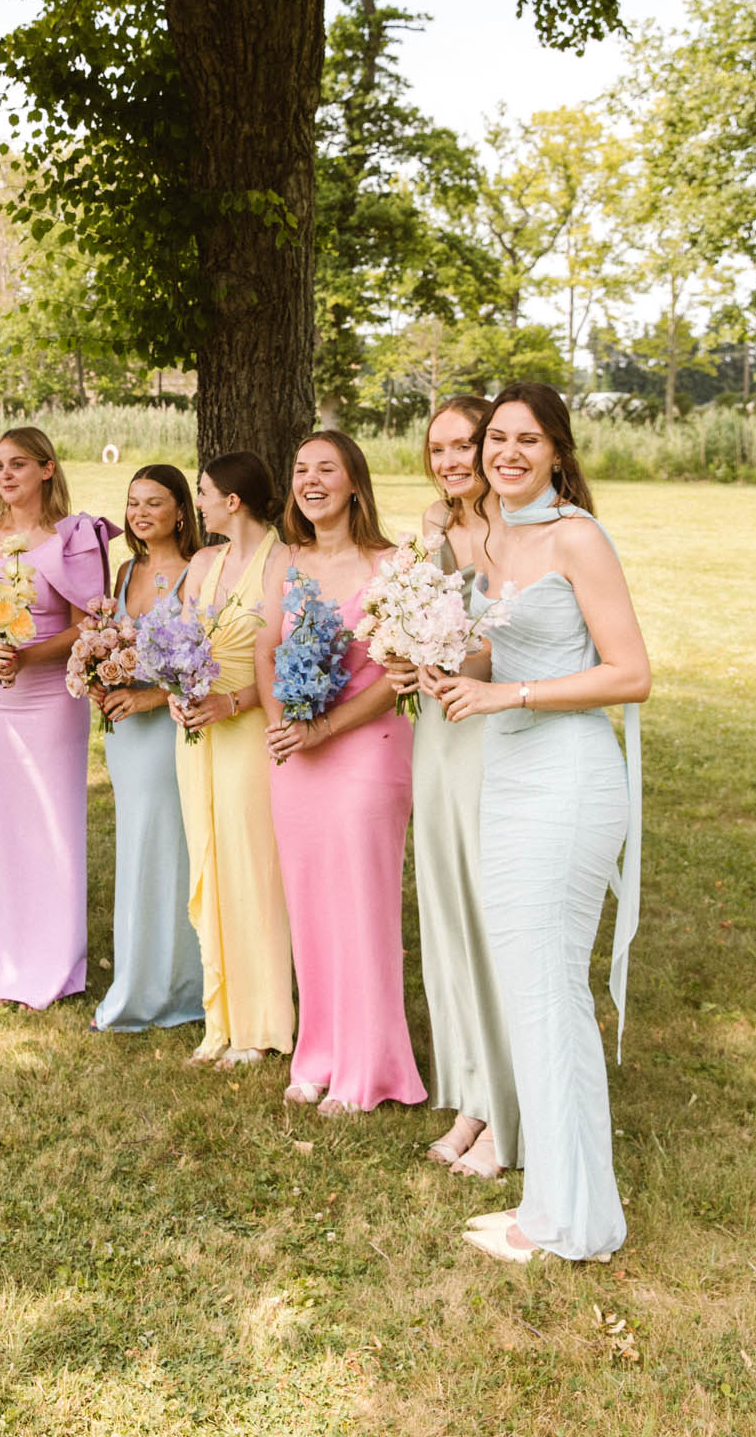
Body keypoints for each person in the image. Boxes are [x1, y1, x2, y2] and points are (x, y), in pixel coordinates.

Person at [428, 384, 647, 1264]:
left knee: (551, 993)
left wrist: (504, 692)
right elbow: (494, 650)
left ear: (557, 451)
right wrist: (440, 656)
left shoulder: (574, 537)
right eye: (496, 439)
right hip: (509, 771)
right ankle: (550, 1204)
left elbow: (629, 673)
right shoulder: (497, 538)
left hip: (567, 777)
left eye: (527, 440)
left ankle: (572, 1223)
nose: (505, 453)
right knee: (533, 995)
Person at [256, 431, 426, 1116]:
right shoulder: (287, 561)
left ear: (355, 481)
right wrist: (282, 725)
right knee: (310, 906)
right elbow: (267, 650)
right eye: (300, 469)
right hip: (295, 759)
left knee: (362, 906)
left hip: (367, 750)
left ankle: (369, 1066)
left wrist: (323, 726)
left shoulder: (394, 562)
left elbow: (398, 673)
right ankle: (318, 1055)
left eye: (327, 468)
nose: (311, 480)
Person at [385, 397, 520, 1179]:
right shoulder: (433, 533)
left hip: (495, 737)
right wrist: (404, 660)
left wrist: (448, 662)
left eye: (462, 444)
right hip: (436, 733)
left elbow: (519, 648)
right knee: (444, 912)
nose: (448, 461)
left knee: (490, 913)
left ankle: (508, 1101)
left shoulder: (518, 534)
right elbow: (411, 626)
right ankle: (470, 1091)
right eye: (436, 449)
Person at [0, 426, 115, 1009]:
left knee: (52, 819)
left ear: (47, 469)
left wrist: (29, 656)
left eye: (17, 464)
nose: (4, 475)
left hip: (51, 692)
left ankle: (53, 962)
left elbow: (87, 623)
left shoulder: (74, 537)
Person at [174, 452, 293, 1069]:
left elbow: (281, 660)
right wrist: (177, 693)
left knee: (252, 871)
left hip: (249, 731)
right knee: (210, 863)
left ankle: (262, 1022)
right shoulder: (202, 562)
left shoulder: (282, 564)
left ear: (233, 502)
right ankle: (219, 1018)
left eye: (203, 491)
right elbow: (181, 641)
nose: (198, 501)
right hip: (199, 733)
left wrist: (234, 700)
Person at [89, 465, 204, 1034]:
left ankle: (174, 985)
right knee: (136, 847)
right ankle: (138, 976)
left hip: (166, 727)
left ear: (181, 511)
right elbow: (112, 638)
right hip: (124, 732)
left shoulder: (196, 572)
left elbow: (204, 664)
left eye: (154, 503)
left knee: (166, 850)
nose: (140, 513)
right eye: (133, 503)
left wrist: (150, 699)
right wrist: (97, 675)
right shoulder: (127, 569)